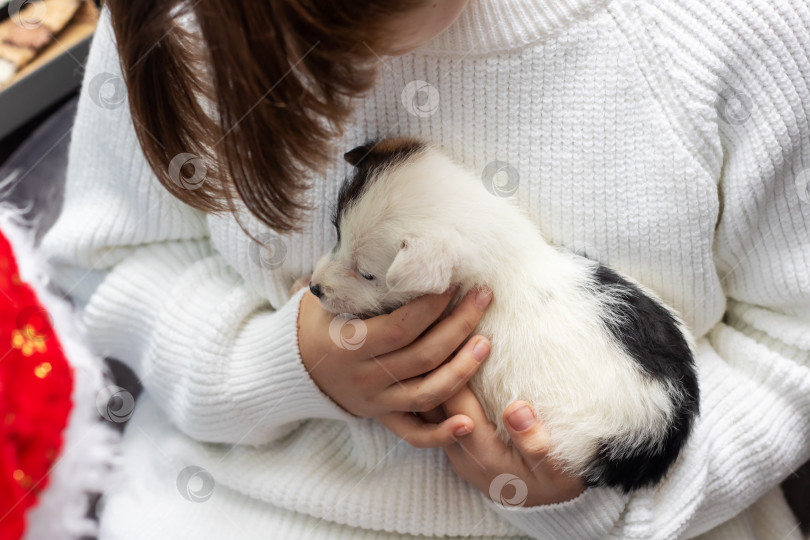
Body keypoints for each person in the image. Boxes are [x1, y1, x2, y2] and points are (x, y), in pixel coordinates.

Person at [40, 0, 810, 538]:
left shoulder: (734, 33)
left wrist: (598, 497)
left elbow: (793, 346)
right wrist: (271, 365)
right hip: (234, 504)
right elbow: (111, 265)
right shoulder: (177, 26)